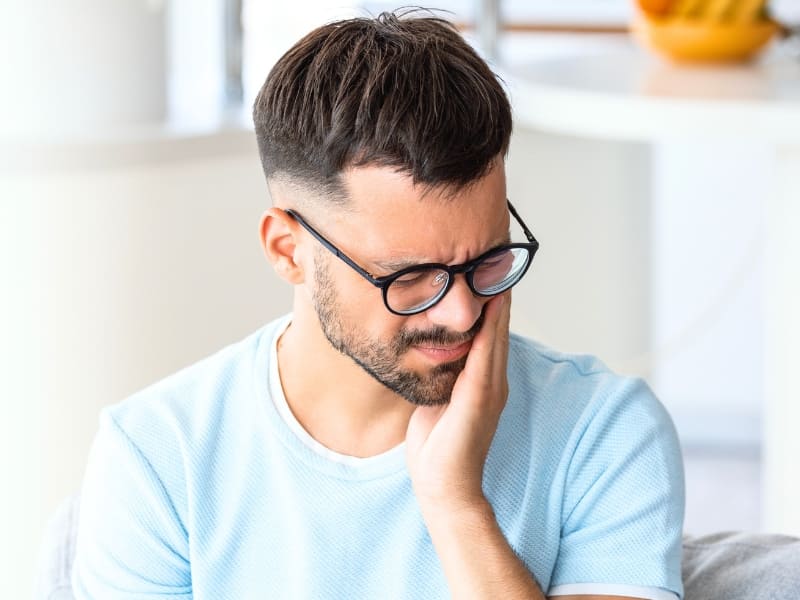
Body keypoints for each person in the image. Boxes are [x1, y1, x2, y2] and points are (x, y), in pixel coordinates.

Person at [72, 10, 685, 600]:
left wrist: (454, 502)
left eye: (487, 261)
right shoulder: (157, 456)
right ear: (289, 250)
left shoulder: (602, 431)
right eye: (412, 277)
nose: (462, 313)